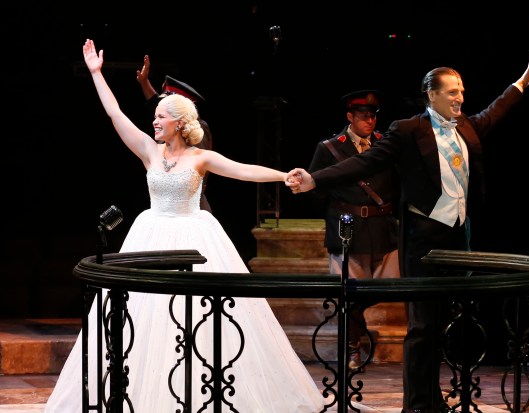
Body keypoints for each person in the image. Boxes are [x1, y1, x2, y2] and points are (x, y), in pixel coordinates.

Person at [44, 38, 324, 413]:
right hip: (151, 236)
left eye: (161, 116)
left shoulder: (199, 157)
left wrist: (282, 175)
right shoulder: (149, 152)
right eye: (155, 116)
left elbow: (242, 171)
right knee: (145, 316)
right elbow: (115, 114)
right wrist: (96, 73)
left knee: (198, 317)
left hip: (193, 239)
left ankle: (201, 390)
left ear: (179, 123)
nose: (154, 121)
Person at [288, 55, 529, 413]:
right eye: (452, 92)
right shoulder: (408, 130)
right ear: (431, 95)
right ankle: (417, 405)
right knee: (422, 326)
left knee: (441, 325)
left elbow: (493, 113)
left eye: (461, 91)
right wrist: (315, 179)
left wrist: (518, 87)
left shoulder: (465, 126)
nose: (460, 98)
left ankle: (433, 399)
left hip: (456, 237)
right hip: (423, 239)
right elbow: (365, 162)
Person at [306, 89, 399, 371]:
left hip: (382, 228)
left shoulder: (384, 144)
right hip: (349, 230)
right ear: (350, 116)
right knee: (350, 290)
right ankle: (352, 347)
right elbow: (315, 189)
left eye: (373, 116)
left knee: (388, 288)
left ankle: (355, 329)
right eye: (363, 115)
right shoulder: (330, 148)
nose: (369, 120)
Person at [136, 54, 214, 212]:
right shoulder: (169, 124)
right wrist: (144, 82)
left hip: (190, 207)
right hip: (167, 207)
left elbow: (197, 168)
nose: (157, 120)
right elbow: (156, 104)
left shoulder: (197, 127)